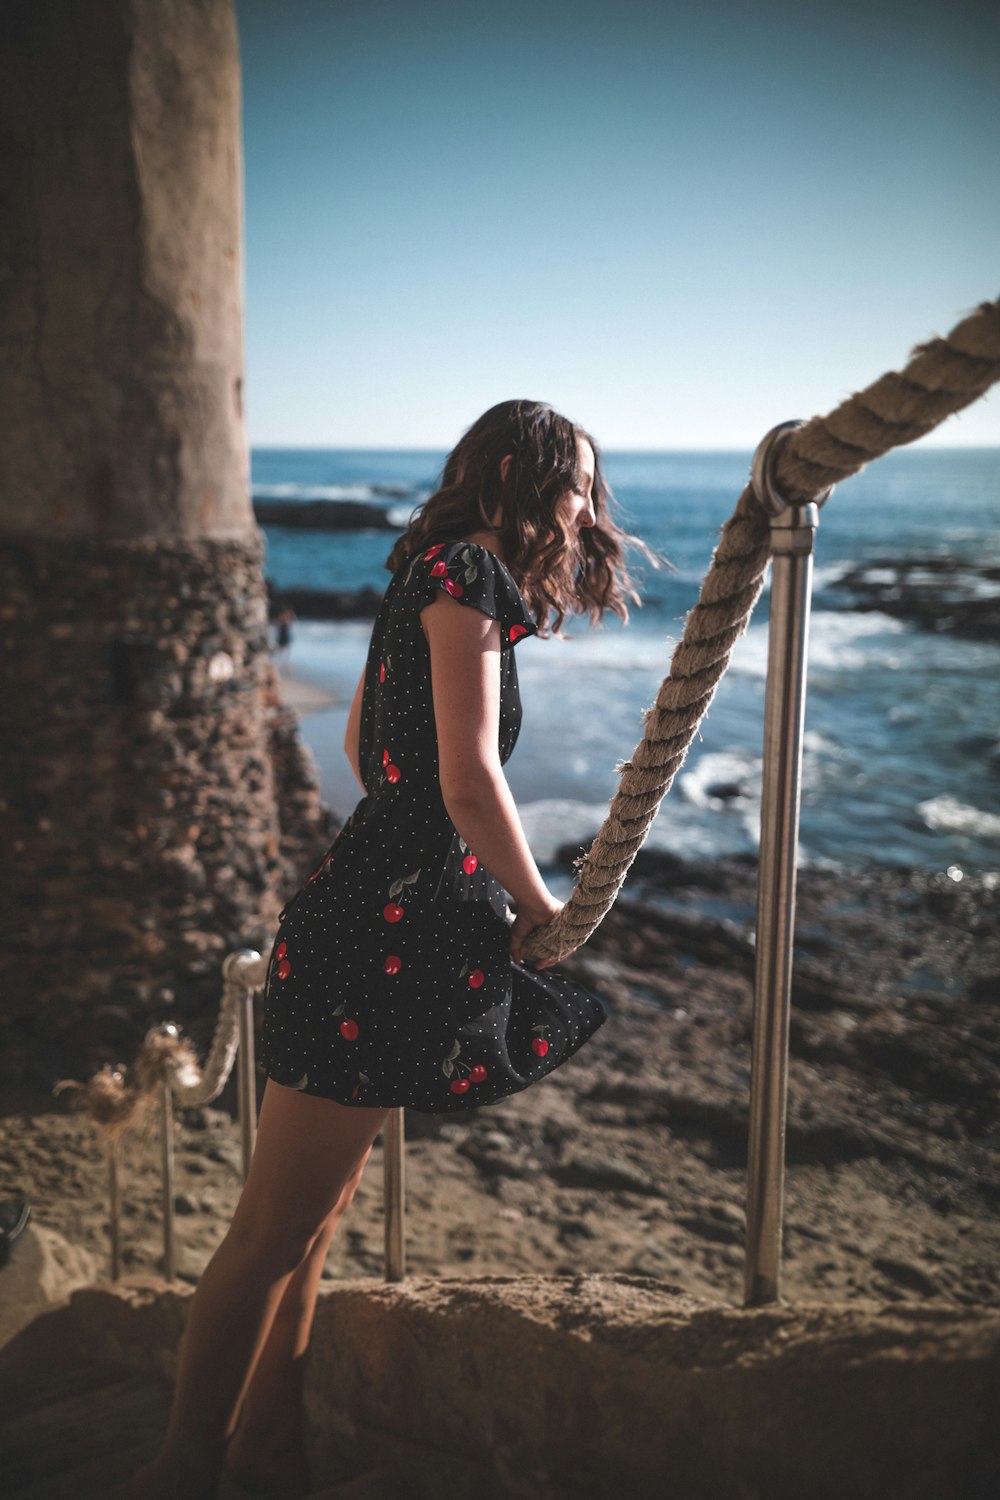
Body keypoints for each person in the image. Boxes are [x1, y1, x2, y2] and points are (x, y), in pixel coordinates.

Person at [113, 399, 648, 1500]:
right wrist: (535, 903)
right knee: (269, 1233)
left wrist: (425, 859)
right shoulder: (472, 576)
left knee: (306, 1230)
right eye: (571, 485)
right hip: (384, 940)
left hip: (369, 918)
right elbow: (467, 777)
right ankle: (178, 1474)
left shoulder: (426, 567)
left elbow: (366, 747)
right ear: (512, 469)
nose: (582, 510)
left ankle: (269, 1451)